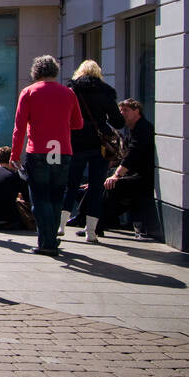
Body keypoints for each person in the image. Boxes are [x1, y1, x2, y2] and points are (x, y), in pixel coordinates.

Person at [11, 54, 83, 255]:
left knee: (40, 198)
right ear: (55, 71)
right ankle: (51, 239)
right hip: (61, 150)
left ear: (36, 72)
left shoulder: (29, 92)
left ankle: (47, 242)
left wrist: (15, 154)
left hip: (38, 150)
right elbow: (78, 124)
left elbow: (19, 128)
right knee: (55, 196)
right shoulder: (69, 93)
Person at [63, 60, 124, 243]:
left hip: (76, 141)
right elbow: (118, 122)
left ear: (79, 72)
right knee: (97, 187)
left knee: (71, 184)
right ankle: (91, 232)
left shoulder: (72, 90)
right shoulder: (106, 91)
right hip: (100, 144)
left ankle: (60, 226)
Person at [102, 98, 156, 240]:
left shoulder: (143, 129)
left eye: (125, 110)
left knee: (112, 186)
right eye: (120, 111)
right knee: (97, 187)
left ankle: (97, 224)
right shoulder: (132, 130)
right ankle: (92, 222)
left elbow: (132, 155)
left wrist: (117, 176)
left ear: (137, 111)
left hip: (144, 176)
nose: (122, 113)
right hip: (134, 174)